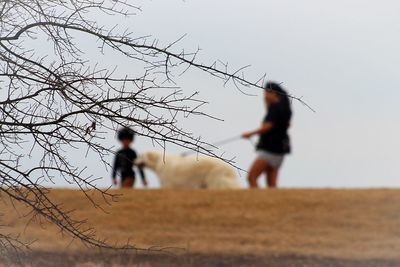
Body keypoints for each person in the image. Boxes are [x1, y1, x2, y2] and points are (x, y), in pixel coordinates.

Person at [242, 82, 292, 188]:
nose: (264, 95)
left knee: (251, 177)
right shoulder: (285, 109)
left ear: (274, 93)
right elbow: (287, 125)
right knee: (272, 184)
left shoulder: (275, 108)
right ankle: (273, 204)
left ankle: (257, 202)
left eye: (266, 92)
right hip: (280, 150)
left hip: (269, 149)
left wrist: (249, 134)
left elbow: (267, 127)